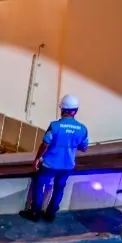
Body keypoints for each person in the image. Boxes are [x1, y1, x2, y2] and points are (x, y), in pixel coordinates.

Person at [22, 95, 89, 223]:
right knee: (59, 188)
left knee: (39, 185)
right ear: (76, 110)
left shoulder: (55, 126)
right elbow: (84, 147)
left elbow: (45, 144)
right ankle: (50, 214)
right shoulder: (82, 129)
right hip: (67, 166)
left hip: (50, 164)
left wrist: (37, 158)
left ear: (62, 109)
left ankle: (35, 213)